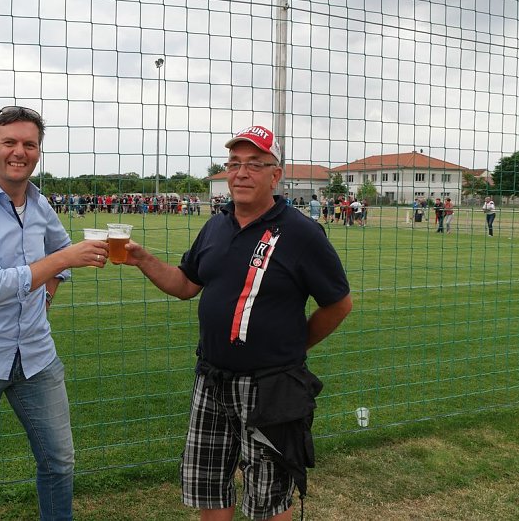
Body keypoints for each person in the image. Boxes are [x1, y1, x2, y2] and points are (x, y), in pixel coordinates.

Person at [123, 125, 352, 521]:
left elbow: (339, 304)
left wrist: (294, 346)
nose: (242, 173)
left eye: (255, 164)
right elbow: (185, 285)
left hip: (270, 388)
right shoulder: (217, 224)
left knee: (268, 495)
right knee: (209, 486)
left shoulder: (301, 233)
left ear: (275, 176)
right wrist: (142, 259)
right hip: (211, 378)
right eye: (234, 164)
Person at [0, 106, 109, 520]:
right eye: (9, 142)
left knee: (59, 461)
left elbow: (59, 250)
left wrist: (46, 297)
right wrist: (64, 259)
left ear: (38, 151)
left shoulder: (39, 203)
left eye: (29, 144)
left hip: (36, 355)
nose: (19, 152)